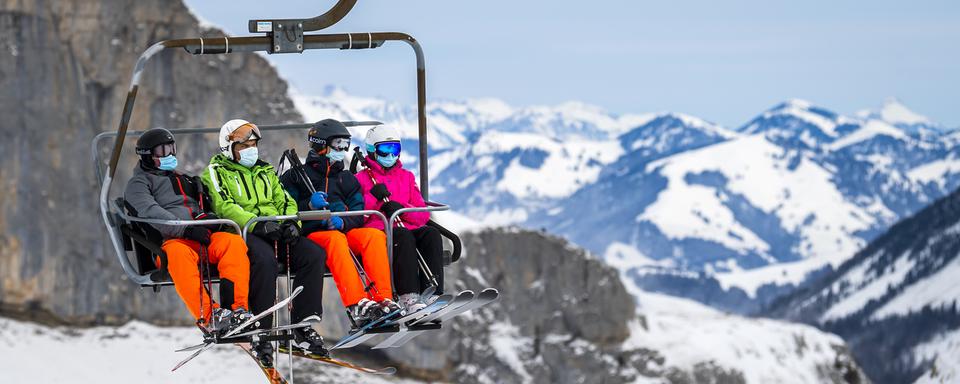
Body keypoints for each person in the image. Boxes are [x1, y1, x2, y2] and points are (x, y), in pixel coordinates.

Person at [201, 119, 329, 364]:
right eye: (244, 145)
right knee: (264, 260)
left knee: (313, 255)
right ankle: (260, 329)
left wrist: (293, 223)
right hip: (245, 231)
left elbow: (285, 199)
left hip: (275, 227)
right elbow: (224, 206)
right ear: (228, 148)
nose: (251, 149)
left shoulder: (266, 171)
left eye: (253, 143)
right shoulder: (216, 172)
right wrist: (257, 224)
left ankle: (304, 324)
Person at [124, 128, 254, 335]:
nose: (170, 155)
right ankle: (210, 317)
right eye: (163, 151)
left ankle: (236, 310)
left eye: (172, 149)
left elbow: (200, 208)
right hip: (171, 243)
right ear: (148, 156)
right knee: (178, 254)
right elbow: (150, 212)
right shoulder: (138, 184)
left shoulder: (184, 179)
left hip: (202, 237)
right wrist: (185, 230)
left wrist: (209, 219)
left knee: (233, 242)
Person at [280, 119, 400, 327]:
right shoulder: (296, 177)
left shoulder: (346, 178)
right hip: (311, 236)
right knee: (334, 239)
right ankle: (356, 304)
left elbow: (359, 211)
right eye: (339, 145)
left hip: (342, 231)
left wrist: (343, 222)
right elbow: (285, 210)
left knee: (372, 236)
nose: (343, 150)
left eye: (346, 145)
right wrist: (309, 206)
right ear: (321, 144)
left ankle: (383, 298)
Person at [357, 125, 444, 314]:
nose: (390, 155)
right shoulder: (361, 179)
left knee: (431, 234)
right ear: (371, 151)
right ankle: (409, 296)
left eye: (394, 149)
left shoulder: (406, 177)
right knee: (403, 236)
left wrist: (402, 209)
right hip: (382, 230)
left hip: (406, 225)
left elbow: (422, 215)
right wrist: (374, 199)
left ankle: (433, 292)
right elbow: (359, 216)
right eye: (384, 150)